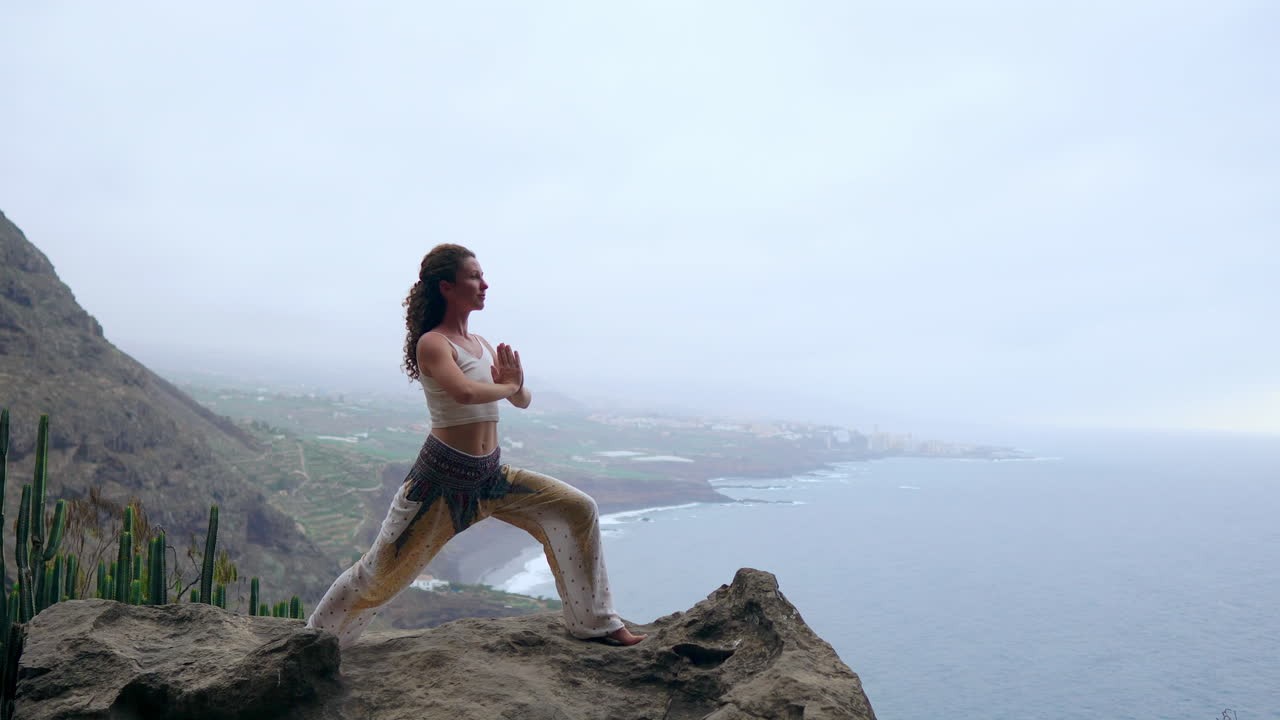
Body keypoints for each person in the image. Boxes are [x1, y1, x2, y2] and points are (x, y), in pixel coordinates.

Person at [306, 243, 646, 649]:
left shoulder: (482, 344)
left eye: (482, 276)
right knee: (378, 575)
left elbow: (522, 399)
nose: (485, 284)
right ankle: (313, 643)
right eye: (474, 277)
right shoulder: (433, 344)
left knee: (578, 510)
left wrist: (514, 385)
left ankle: (597, 624)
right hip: (440, 484)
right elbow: (465, 393)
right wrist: (506, 386)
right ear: (447, 287)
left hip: (490, 476)